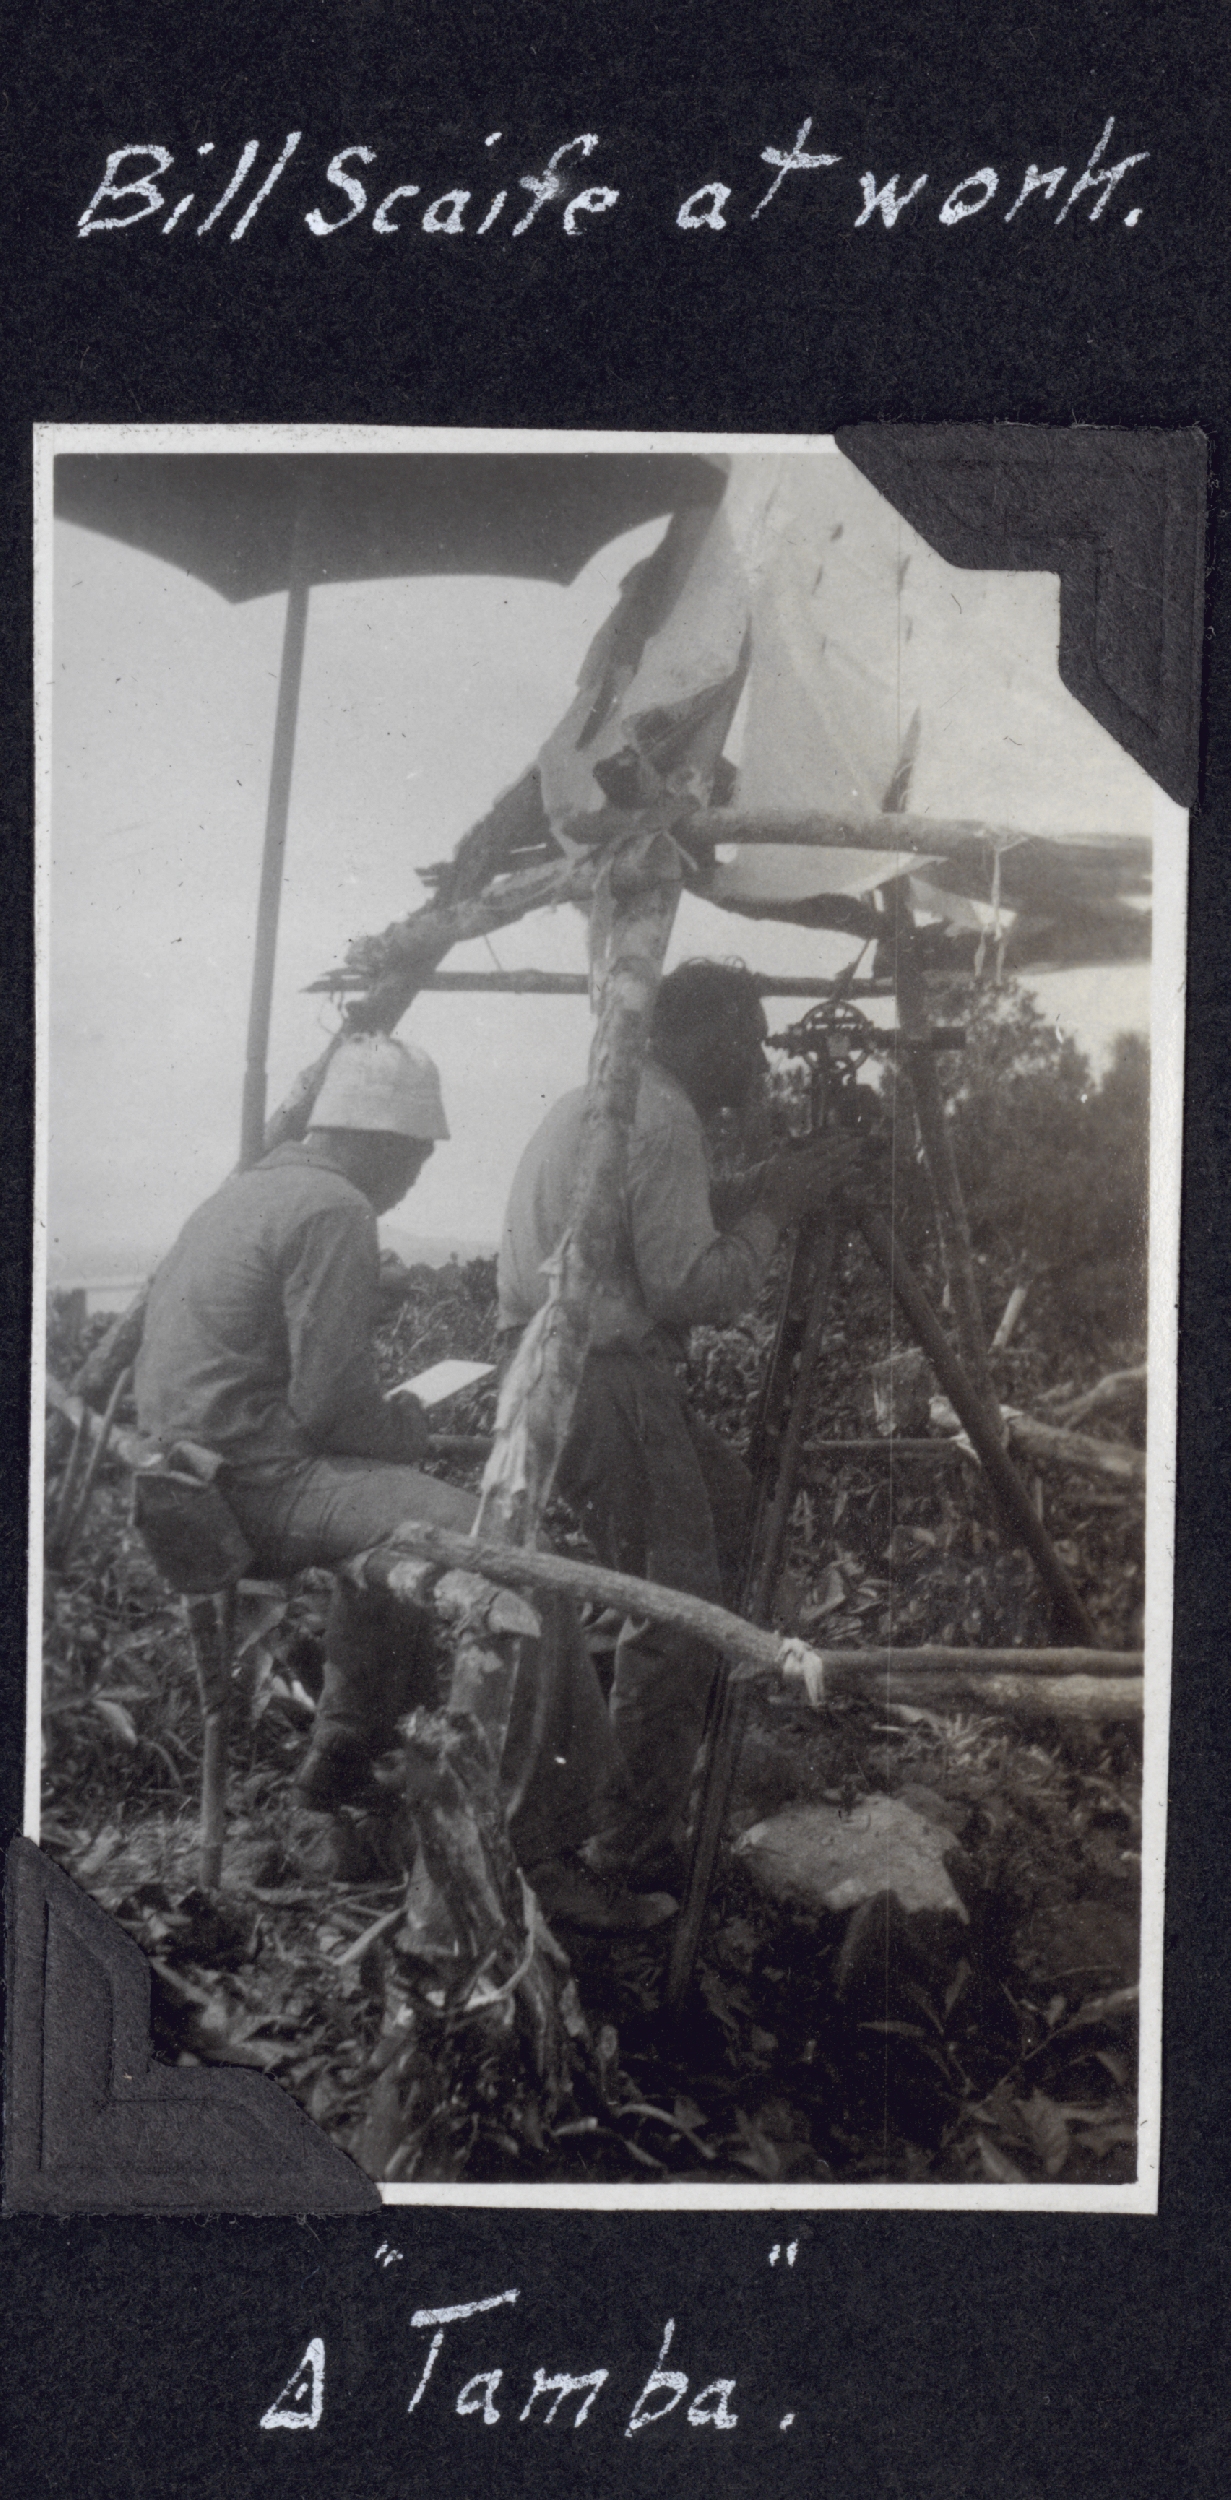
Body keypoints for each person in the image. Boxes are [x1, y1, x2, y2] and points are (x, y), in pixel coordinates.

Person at [135, 1034, 658, 1930]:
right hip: (257, 1485)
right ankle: (543, 1852)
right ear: (380, 1142)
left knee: (394, 1513)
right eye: (416, 1159)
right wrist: (404, 1424)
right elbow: (331, 1410)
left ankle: (344, 1754)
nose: (413, 1180)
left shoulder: (246, 1191)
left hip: (191, 1477)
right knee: (525, 1560)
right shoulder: (335, 1206)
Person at [498, 960, 860, 1891]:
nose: (761, 1062)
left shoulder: (613, 1103)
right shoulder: (663, 1120)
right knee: (677, 1606)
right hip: (605, 1375)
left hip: (561, 1365)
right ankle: (623, 1846)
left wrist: (756, 1184)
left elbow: (638, 1226)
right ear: (711, 1037)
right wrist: (775, 1208)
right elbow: (692, 1286)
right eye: (752, 1041)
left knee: (730, 1513)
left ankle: (644, 1759)